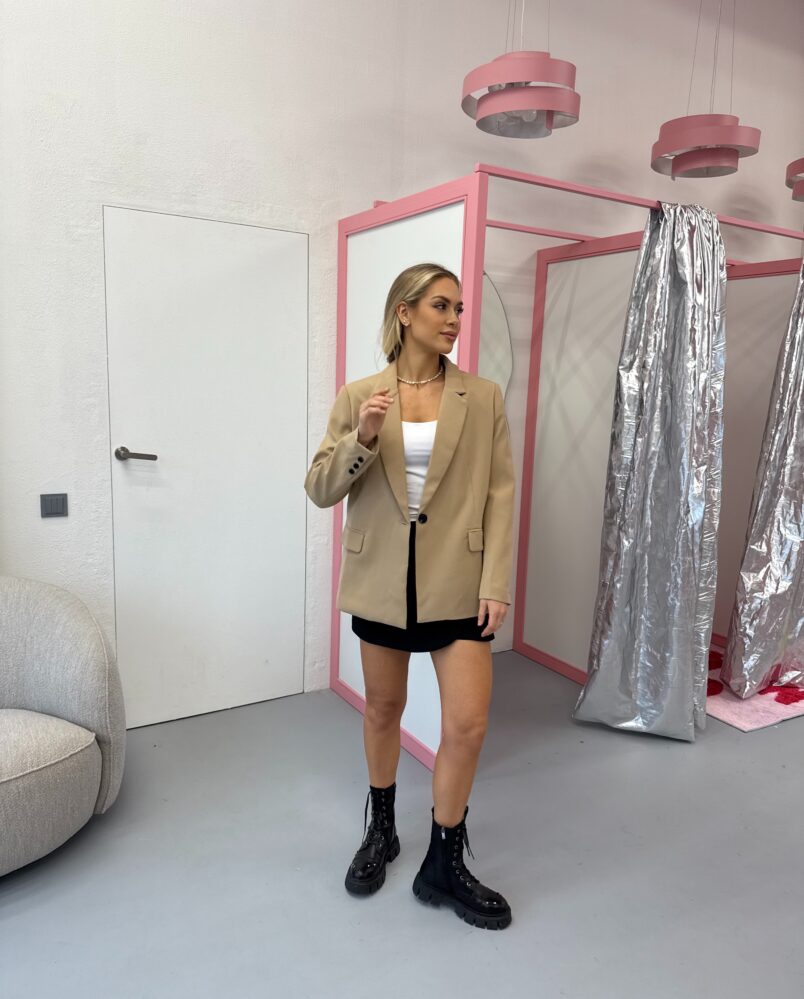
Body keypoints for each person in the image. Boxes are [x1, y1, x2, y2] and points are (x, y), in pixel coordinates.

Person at [304, 262, 515, 930]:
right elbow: (320, 488)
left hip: (460, 581)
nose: (454, 319)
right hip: (383, 582)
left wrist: (496, 580)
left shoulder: (483, 397)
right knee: (383, 709)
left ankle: (443, 864)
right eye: (441, 306)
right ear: (405, 312)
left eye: (459, 308)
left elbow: (500, 492)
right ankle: (382, 830)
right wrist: (362, 437)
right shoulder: (360, 395)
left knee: (468, 724)